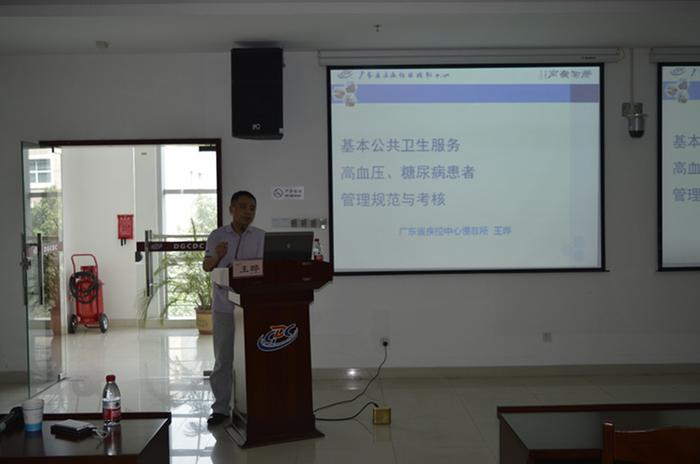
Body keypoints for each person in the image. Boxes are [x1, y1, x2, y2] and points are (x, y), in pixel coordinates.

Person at [202, 190, 264, 426]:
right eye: (243, 207)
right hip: (224, 307)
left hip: (252, 307)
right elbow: (207, 266)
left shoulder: (260, 236)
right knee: (223, 359)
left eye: (252, 208)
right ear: (231, 209)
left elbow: (265, 268)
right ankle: (220, 409)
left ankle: (254, 405)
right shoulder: (217, 236)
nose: (248, 212)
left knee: (254, 359)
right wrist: (218, 255)